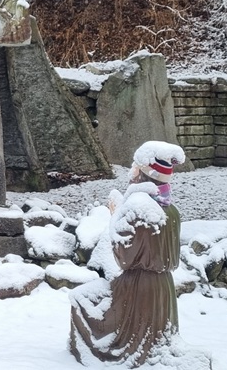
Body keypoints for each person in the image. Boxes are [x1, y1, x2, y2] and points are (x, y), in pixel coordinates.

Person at [69, 141, 187, 367]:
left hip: (137, 288)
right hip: (164, 288)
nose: (131, 172)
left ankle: (102, 353)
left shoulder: (137, 209)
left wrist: (115, 215)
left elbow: (124, 259)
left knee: (79, 299)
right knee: (156, 337)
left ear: (144, 174)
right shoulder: (172, 210)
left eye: (135, 167)